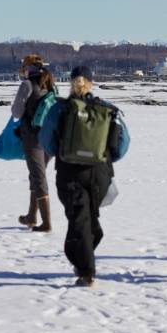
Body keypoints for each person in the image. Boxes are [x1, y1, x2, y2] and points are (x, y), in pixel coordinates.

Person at [39, 66, 130, 287]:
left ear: (70, 82)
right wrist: (103, 158)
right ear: (91, 82)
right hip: (99, 173)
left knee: (79, 220)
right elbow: (123, 144)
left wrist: (65, 152)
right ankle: (83, 261)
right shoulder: (107, 110)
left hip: (70, 172)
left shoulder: (59, 109)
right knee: (88, 220)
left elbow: (46, 140)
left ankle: (86, 272)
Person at [12, 55, 57, 232]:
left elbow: (16, 112)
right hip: (50, 137)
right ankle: (31, 215)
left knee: (38, 176)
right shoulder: (50, 83)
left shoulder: (27, 84)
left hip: (33, 137)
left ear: (27, 67)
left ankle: (46, 224)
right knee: (37, 174)